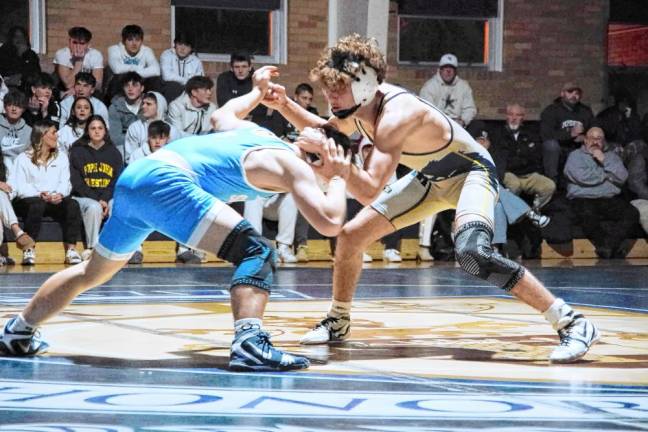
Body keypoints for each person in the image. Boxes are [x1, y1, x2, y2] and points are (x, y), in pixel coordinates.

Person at [263, 34, 599, 363]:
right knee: (350, 237)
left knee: (473, 253)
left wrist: (340, 166)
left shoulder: (396, 115)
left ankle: (572, 322)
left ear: (363, 86)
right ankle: (338, 320)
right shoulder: (361, 104)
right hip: (433, 175)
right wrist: (282, 104)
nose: (329, 96)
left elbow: (368, 190)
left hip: (471, 172)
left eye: (336, 89)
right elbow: (328, 130)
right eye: (327, 88)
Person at [0, 66, 352, 373]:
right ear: (322, 158)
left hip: (135, 178)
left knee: (91, 272)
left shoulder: (260, 134)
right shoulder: (295, 166)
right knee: (257, 252)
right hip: (167, 182)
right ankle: (248, 343)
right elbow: (330, 223)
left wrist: (257, 92)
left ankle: (19, 329)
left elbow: (221, 116)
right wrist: (337, 175)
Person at [9, 121, 83, 265]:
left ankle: (71, 250)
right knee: (37, 205)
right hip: (29, 199)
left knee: (72, 204)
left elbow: (66, 183)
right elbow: (18, 186)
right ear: (42, 135)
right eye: (54, 133)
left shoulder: (61, 157)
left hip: (54, 198)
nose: (57, 136)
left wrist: (59, 194)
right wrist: (39, 193)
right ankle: (28, 249)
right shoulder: (23, 159)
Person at [563, 127, 639, 259]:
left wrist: (604, 160)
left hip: (608, 198)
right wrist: (607, 175)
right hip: (583, 198)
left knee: (632, 212)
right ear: (585, 140)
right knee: (587, 214)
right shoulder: (575, 156)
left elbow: (623, 176)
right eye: (592, 138)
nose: (595, 141)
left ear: (604, 141)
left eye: (599, 139)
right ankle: (610, 247)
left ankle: (608, 246)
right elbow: (582, 177)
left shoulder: (611, 157)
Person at [69, 115, 124, 260]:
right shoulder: (77, 151)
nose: (97, 131)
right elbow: (76, 182)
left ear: (105, 131)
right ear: (87, 131)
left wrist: (105, 199)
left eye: (100, 128)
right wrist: (98, 200)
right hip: (82, 197)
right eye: (93, 128)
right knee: (94, 207)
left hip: (108, 197)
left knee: (118, 206)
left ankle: (115, 248)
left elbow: (116, 181)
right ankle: (92, 248)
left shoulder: (115, 153)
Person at [491, 103, 556, 210]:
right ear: (506, 116)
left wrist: (522, 160)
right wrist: (521, 160)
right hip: (508, 173)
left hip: (528, 174)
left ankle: (534, 210)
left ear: (523, 118)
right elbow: (501, 159)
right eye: (511, 114)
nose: (514, 118)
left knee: (549, 185)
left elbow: (535, 157)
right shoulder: (498, 134)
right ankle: (510, 214)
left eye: (518, 115)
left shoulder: (531, 134)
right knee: (515, 185)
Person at [126, 120, 172, 265]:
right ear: (148, 138)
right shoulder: (137, 155)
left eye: (161, 138)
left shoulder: (172, 154)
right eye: (154, 137)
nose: (157, 142)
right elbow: (132, 180)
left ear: (167, 139)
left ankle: (185, 249)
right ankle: (135, 248)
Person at [540, 82, 594, 186]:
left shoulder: (585, 111)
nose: (574, 95)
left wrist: (586, 137)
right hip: (559, 148)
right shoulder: (551, 111)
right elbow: (546, 134)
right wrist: (570, 134)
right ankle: (551, 184)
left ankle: (589, 184)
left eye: (577, 93)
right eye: (570, 92)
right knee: (551, 145)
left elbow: (594, 128)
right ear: (562, 94)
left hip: (579, 147)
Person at [419, 53, 477, 128]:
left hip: (459, 126)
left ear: (455, 71)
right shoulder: (429, 86)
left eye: (451, 68)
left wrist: (463, 121)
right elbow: (427, 110)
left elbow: (470, 108)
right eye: (445, 67)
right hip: (437, 125)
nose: (448, 71)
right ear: (440, 70)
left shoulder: (464, 86)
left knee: (478, 125)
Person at [106, 25, 161, 101]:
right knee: (118, 76)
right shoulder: (114, 49)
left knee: (155, 79)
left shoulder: (146, 50)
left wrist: (135, 74)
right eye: (130, 40)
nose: (134, 43)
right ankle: (116, 105)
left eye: (137, 40)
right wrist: (138, 69)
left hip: (139, 83)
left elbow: (156, 70)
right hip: (121, 84)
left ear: (141, 41)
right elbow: (117, 69)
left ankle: (153, 104)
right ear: (124, 41)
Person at [124, 91, 181, 164]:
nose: (143, 106)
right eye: (143, 103)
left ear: (159, 106)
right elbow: (129, 158)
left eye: (148, 104)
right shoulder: (135, 128)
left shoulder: (172, 130)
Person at [53, 27, 104, 96]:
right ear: (69, 42)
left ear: (88, 45)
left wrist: (80, 90)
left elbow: (97, 83)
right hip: (64, 89)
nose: (78, 47)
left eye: (82, 43)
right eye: (74, 43)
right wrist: (79, 62)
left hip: (87, 90)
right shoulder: (62, 54)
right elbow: (68, 84)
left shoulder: (95, 55)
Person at [108, 72, 145, 159]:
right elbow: (115, 138)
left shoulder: (150, 103)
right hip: (124, 146)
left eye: (135, 85)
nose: (130, 89)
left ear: (142, 88)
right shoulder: (115, 108)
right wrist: (138, 139)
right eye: (127, 85)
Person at [160, 32, 204, 103]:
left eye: (186, 45)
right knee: (173, 86)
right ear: (175, 45)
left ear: (191, 48)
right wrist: (187, 81)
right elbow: (167, 76)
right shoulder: (166, 55)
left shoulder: (196, 61)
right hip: (169, 93)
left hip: (189, 94)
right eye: (180, 44)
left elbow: (200, 82)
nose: (182, 48)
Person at [0, 26, 41, 91]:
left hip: (26, 89)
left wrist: (23, 56)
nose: (20, 39)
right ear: (11, 38)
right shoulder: (3, 53)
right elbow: (7, 72)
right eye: (16, 37)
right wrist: (20, 56)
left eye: (22, 36)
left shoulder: (31, 54)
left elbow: (36, 73)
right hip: (7, 88)